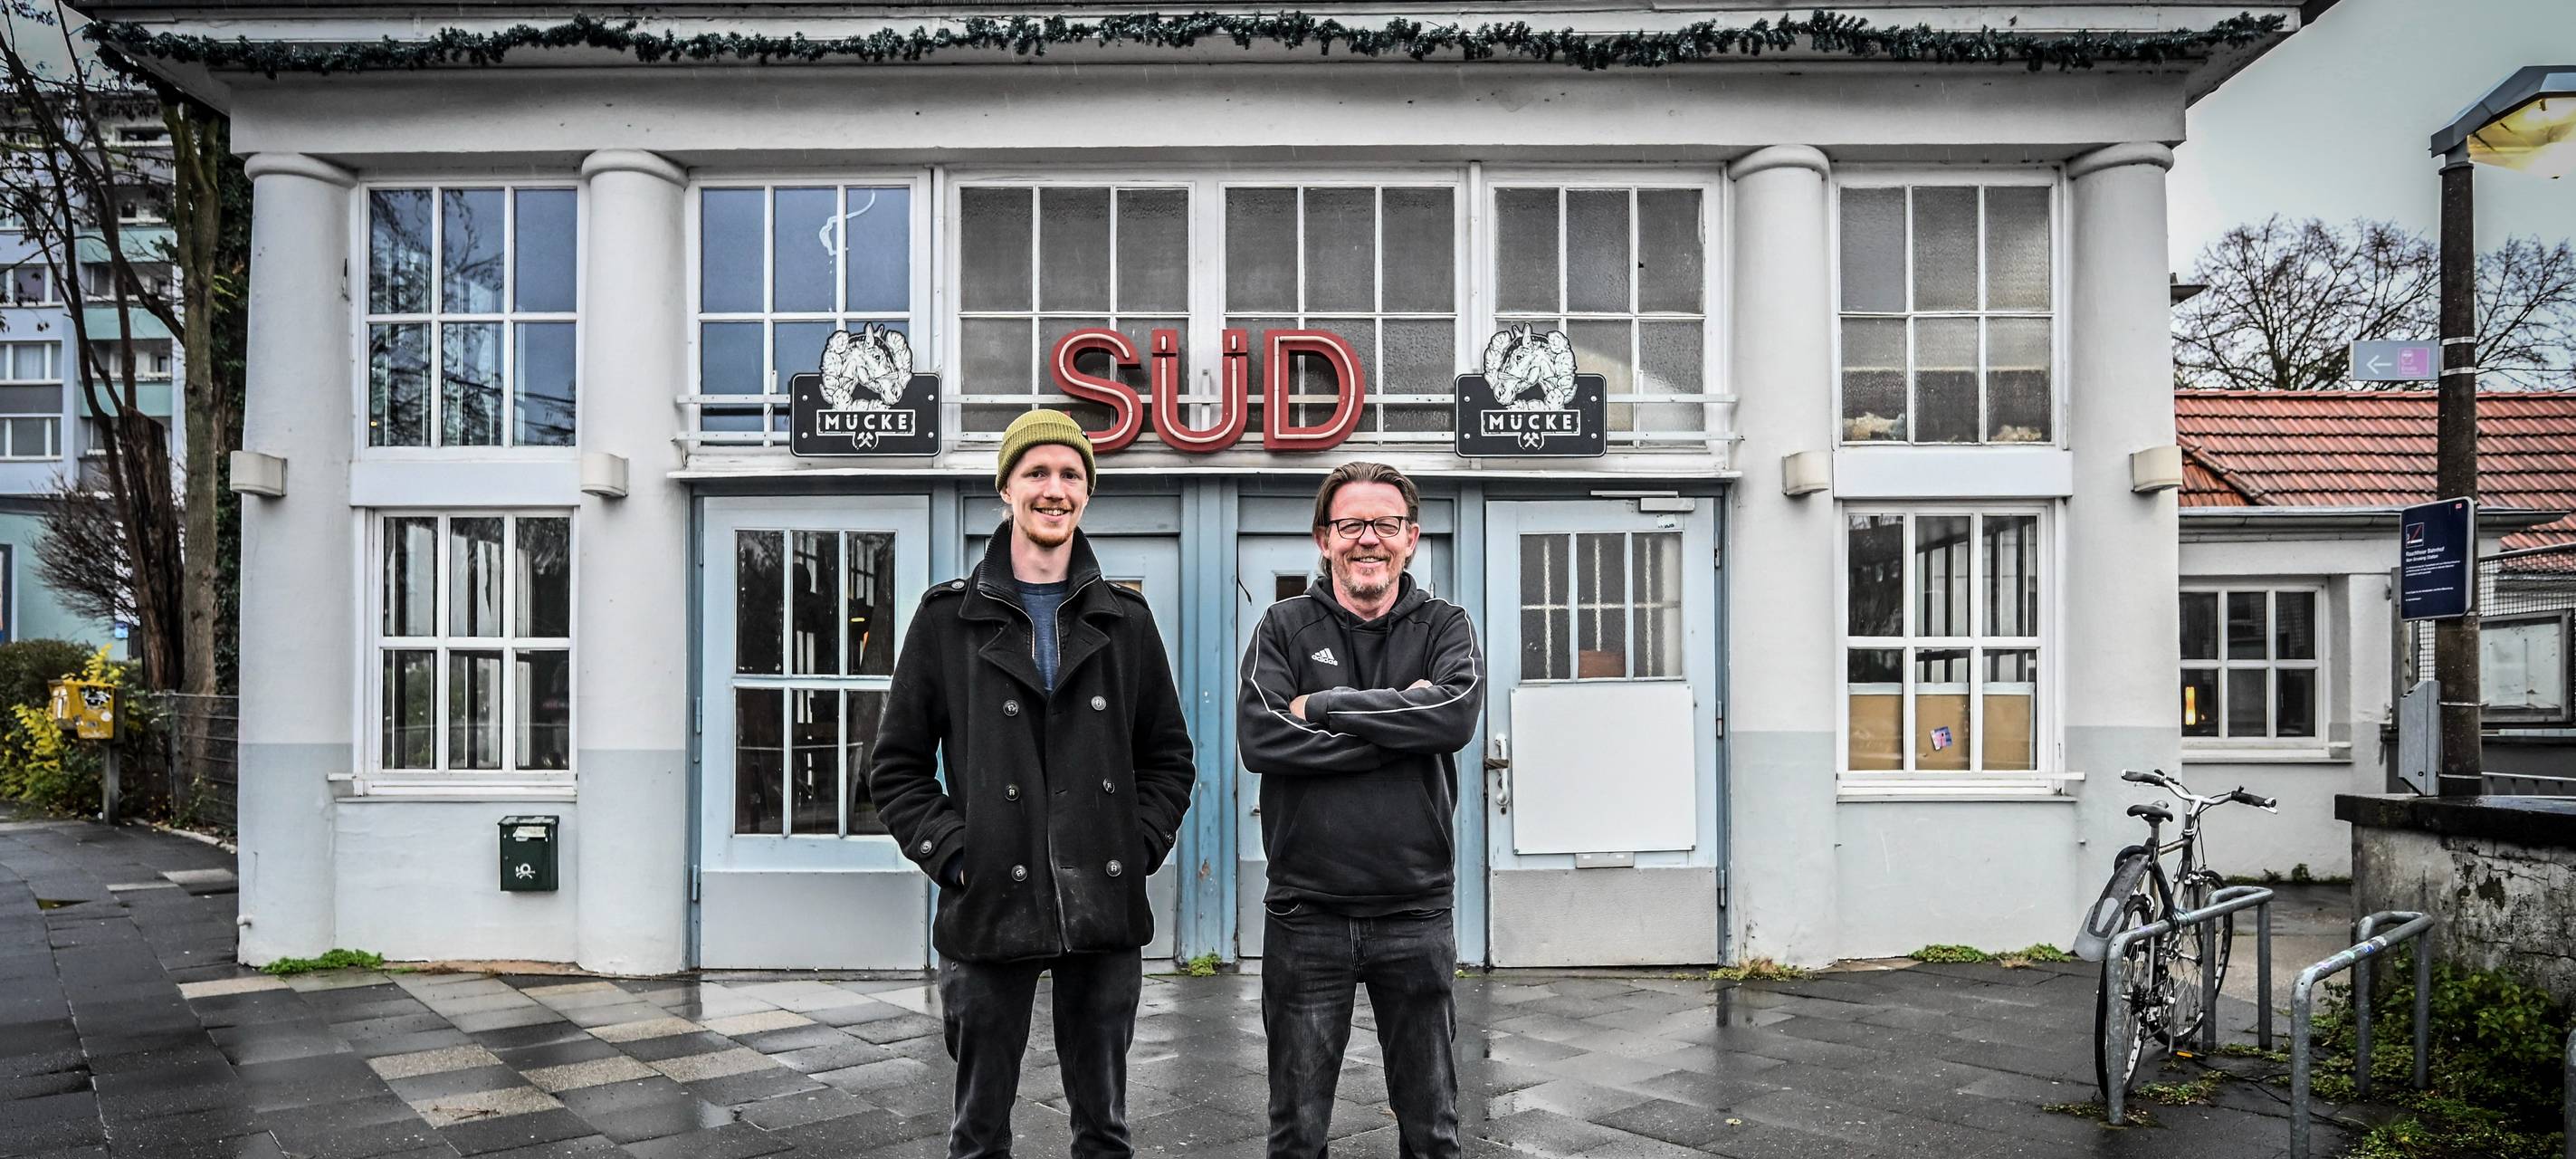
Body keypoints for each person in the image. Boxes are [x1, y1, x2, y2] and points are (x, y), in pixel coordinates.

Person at [870, 409, 1196, 1159]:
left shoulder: (1127, 622)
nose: (1056, 489)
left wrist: (1137, 844)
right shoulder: (948, 619)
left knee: (1105, 1131)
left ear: (1087, 493)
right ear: (1006, 489)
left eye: (1071, 475)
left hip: (1103, 902)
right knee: (978, 1131)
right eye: (1038, 473)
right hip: (989, 904)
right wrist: (957, 855)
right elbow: (897, 766)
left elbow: (1169, 756)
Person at [1236, 461, 1484, 1159]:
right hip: (1306, 913)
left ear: (1411, 537)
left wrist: (1322, 708)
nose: (1367, 540)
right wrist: (1400, 726)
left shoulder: (1446, 626)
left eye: (1384, 524)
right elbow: (1262, 738)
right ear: (1323, 538)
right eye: (1350, 525)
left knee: (1432, 1129)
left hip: (1416, 909)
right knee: (1297, 1130)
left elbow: (1454, 718)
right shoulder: (1281, 627)